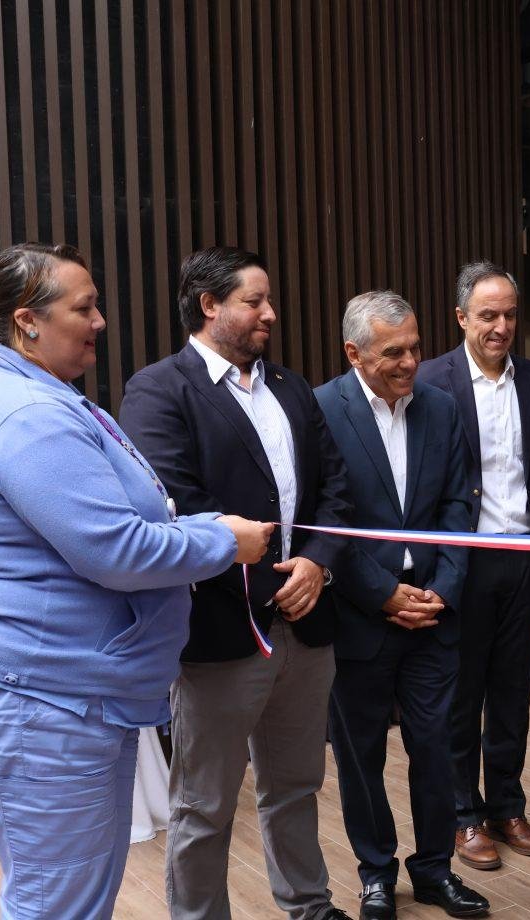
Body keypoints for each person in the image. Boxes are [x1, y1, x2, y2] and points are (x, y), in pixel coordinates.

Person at [0, 243, 271, 919]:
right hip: (35, 704)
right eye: (85, 307)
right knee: (60, 905)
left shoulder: (41, 395)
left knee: (69, 897)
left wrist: (199, 526)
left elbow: (125, 523)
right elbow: (117, 551)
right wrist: (225, 542)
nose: (100, 321)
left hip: (56, 696)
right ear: (27, 321)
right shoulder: (28, 416)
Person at [119, 246, 354, 920]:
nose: (270, 314)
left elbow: (335, 489)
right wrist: (253, 578)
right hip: (221, 635)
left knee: (297, 784)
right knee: (205, 805)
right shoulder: (159, 390)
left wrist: (317, 562)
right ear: (209, 305)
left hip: (306, 625)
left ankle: (308, 906)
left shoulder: (289, 387)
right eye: (255, 301)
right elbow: (175, 510)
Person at [316, 292, 490, 919]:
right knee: (360, 750)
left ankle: (436, 869)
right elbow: (326, 517)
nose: (411, 361)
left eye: (415, 347)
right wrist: (382, 593)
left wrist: (443, 588)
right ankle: (375, 872)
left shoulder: (441, 408)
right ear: (353, 353)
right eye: (394, 352)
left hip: (435, 612)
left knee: (438, 743)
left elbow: (458, 506)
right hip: (360, 616)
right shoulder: (321, 410)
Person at [416, 262, 530, 870]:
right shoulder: (430, 381)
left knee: (512, 692)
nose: (501, 327)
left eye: (510, 315)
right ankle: (462, 815)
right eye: (488, 315)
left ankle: (506, 805)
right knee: (459, 694)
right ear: (461, 318)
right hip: (460, 562)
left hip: (522, 559)